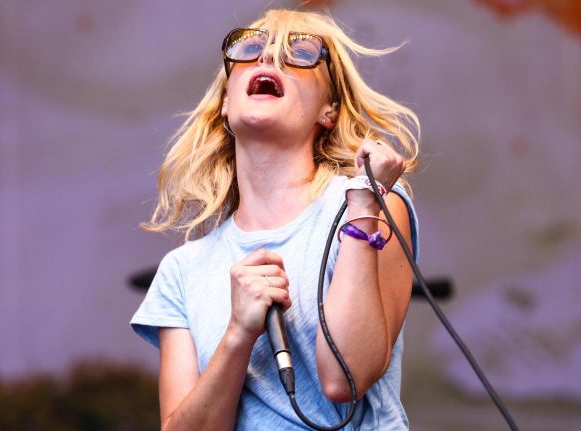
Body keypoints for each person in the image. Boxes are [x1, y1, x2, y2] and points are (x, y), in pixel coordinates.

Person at [131, 8, 421, 430]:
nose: (268, 59)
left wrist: (363, 208)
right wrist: (238, 334)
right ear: (226, 103)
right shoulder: (183, 271)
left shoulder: (371, 204)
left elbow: (346, 379)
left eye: (300, 54)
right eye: (249, 51)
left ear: (329, 111)